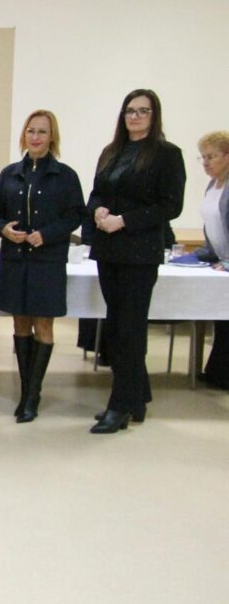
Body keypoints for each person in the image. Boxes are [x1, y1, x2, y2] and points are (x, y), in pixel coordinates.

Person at [87, 89, 186, 433]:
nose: (135, 116)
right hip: (108, 250)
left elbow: (170, 206)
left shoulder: (167, 154)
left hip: (139, 252)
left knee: (129, 328)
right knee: (116, 326)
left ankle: (119, 405)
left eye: (143, 111)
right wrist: (98, 211)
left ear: (154, 116)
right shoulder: (111, 152)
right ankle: (136, 398)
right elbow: (97, 193)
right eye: (130, 110)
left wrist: (124, 221)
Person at [0, 110, 84, 423]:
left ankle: (33, 395)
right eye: (30, 131)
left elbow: (75, 215)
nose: (35, 137)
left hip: (47, 261)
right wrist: (4, 229)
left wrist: (47, 234)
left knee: (43, 326)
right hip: (15, 260)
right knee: (20, 325)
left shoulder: (65, 176)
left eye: (42, 132)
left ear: (51, 136)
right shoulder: (10, 174)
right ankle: (25, 391)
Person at [193, 131, 229, 388]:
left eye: (211, 157)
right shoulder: (213, 185)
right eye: (203, 157)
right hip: (220, 261)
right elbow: (213, 227)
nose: (205, 163)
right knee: (221, 319)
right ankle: (218, 373)